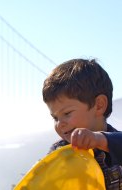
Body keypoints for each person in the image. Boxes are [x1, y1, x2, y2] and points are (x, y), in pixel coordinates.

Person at [42, 58, 122, 189]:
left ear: (99, 105)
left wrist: (99, 139)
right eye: (55, 118)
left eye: (67, 113)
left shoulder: (115, 142)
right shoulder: (58, 151)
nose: (59, 124)